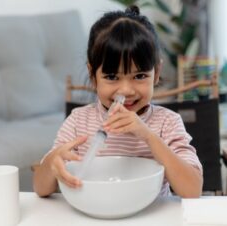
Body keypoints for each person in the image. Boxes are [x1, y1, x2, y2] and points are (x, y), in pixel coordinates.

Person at [33, 5, 203, 198]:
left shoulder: (167, 123)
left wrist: (149, 137)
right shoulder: (78, 121)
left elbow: (193, 190)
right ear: (93, 74)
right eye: (112, 77)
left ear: (156, 74)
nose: (126, 90)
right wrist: (52, 162)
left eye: (139, 76)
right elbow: (40, 188)